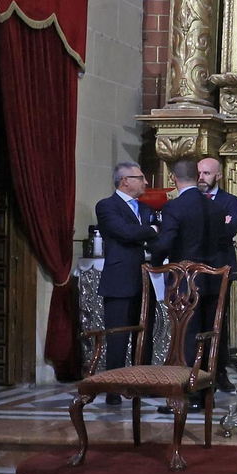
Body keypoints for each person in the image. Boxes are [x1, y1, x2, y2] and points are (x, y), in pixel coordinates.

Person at [150, 157, 219, 397]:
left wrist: (155, 263)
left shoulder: (175, 207)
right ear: (197, 176)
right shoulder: (214, 205)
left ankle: (186, 391)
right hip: (211, 280)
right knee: (207, 334)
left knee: (186, 335)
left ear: (173, 178)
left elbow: (167, 240)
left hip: (185, 281)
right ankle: (205, 390)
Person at [94, 161, 156, 404]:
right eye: (141, 177)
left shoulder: (146, 208)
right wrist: (151, 229)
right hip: (119, 280)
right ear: (125, 181)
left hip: (144, 279)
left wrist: (149, 229)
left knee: (145, 333)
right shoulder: (106, 206)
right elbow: (125, 232)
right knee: (117, 336)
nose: (146, 182)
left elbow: (151, 235)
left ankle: (143, 382)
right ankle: (114, 388)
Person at [197, 157, 237, 391]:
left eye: (206, 173)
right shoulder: (191, 199)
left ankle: (219, 370)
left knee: (218, 322)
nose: (201, 177)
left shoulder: (231, 201)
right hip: (195, 270)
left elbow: (230, 230)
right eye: (199, 172)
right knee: (197, 322)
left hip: (220, 268)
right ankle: (198, 370)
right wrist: (218, 224)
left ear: (218, 176)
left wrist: (204, 230)